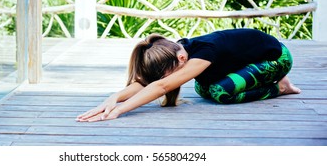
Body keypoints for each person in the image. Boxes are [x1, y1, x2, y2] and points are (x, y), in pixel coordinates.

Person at [76, 28, 301, 122]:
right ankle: (269, 80)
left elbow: (161, 87)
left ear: (181, 60)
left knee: (220, 92)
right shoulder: (178, 51)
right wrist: (113, 98)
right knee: (202, 89)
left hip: (276, 58)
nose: (165, 79)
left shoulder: (203, 52)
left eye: (165, 74)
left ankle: (280, 87)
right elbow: (149, 83)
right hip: (249, 61)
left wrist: (119, 112)